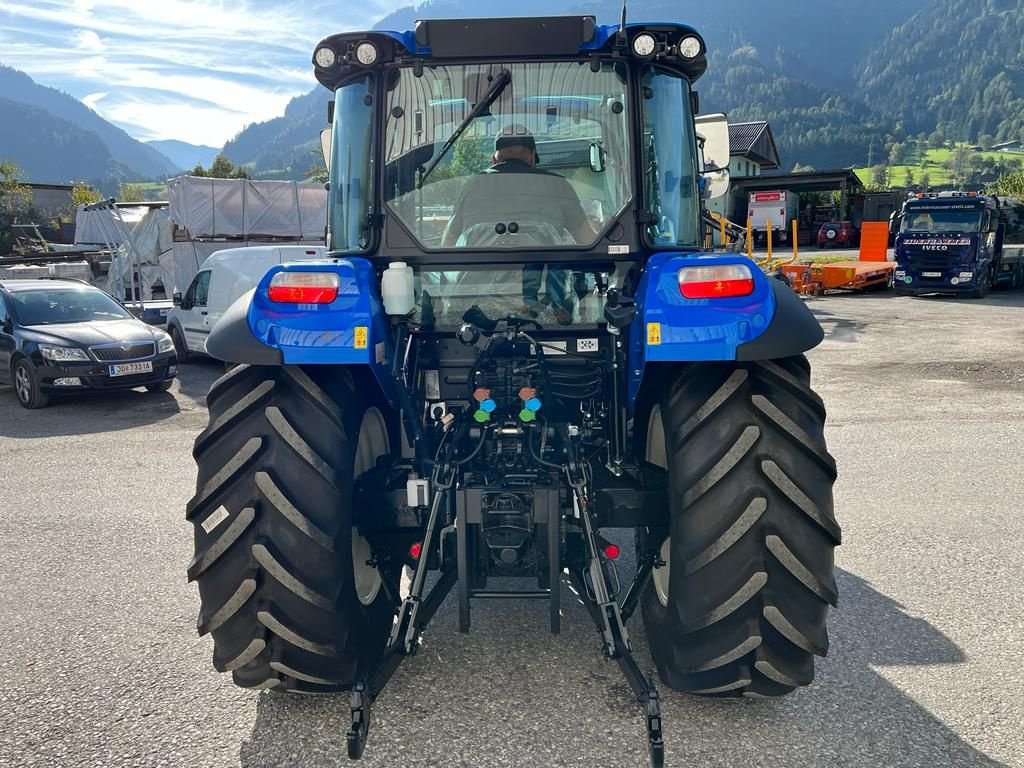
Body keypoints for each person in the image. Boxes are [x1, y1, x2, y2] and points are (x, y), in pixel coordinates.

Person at [441, 125, 595, 324]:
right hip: (543, 313)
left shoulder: (472, 185)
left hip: (475, 312)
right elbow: (588, 241)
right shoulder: (558, 186)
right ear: (532, 156)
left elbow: (448, 243)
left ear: (494, 160)